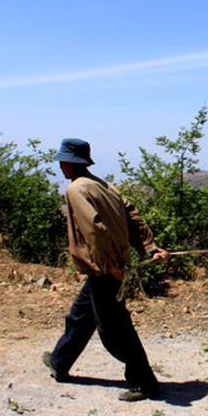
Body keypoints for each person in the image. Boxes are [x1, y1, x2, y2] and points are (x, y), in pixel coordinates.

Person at [42, 138, 169, 402]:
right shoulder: (106, 185)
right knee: (80, 315)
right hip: (105, 267)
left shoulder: (76, 189)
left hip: (104, 269)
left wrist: (110, 264)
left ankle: (144, 382)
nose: (61, 167)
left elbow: (95, 229)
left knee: (114, 328)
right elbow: (133, 216)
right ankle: (59, 361)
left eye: (62, 162)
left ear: (70, 162)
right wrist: (150, 247)